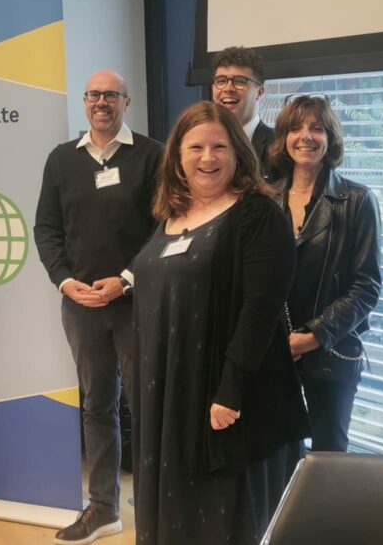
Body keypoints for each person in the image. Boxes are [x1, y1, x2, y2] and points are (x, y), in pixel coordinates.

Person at [131, 101, 309, 544]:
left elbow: (260, 310)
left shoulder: (258, 215)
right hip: (168, 393)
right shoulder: (169, 215)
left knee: (222, 517)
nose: (207, 158)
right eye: (196, 147)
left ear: (239, 154)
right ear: (177, 156)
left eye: (219, 147)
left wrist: (230, 390)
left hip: (225, 396)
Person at [34, 69, 162, 544]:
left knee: (147, 406)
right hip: (81, 305)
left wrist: (126, 279)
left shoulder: (152, 155)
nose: (101, 102)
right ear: (85, 103)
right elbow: (45, 229)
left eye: (111, 95)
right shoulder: (61, 160)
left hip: (137, 302)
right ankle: (104, 509)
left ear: (127, 102)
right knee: (97, 406)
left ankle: (153, 507)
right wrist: (66, 282)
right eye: (94, 95)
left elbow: (165, 227)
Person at [268, 96, 382, 453]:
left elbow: (367, 287)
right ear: (283, 138)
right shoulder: (265, 199)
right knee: (277, 451)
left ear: (330, 137)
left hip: (331, 350)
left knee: (330, 460)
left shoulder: (358, 200)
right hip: (273, 349)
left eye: (316, 128)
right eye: (296, 128)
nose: (306, 136)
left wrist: (313, 336)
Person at [212, 46, 274, 178]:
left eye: (239, 81)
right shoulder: (200, 144)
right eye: (221, 81)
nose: (228, 88)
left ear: (260, 91)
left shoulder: (279, 146)